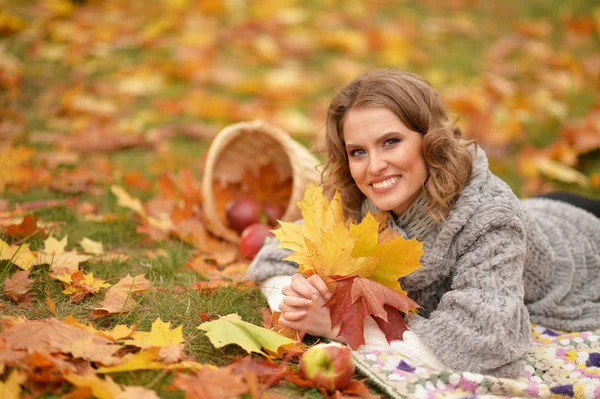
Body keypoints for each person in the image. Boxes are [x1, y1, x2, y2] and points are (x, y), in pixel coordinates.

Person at [246, 69, 600, 377]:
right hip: (536, 209)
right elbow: (273, 258)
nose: (374, 166)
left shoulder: (490, 220)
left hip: (582, 241)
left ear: (429, 141)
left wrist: (340, 326)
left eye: (391, 142)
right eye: (358, 151)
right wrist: (296, 301)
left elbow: (485, 341)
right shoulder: (356, 198)